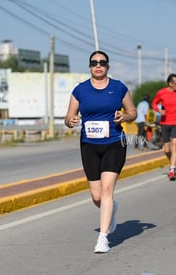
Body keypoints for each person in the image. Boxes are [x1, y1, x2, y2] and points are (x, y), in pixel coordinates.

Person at [64, 51, 137, 253]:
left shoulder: (118, 87)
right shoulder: (80, 90)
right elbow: (69, 116)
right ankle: (111, 209)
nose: (98, 66)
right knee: (96, 196)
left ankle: (103, 239)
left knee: (106, 190)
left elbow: (133, 112)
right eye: (94, 63)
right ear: (89, 66)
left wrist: (125, 117)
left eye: (102, 63)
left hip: (114, 142)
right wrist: (71, 121)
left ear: (107, 67)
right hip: (89, 145)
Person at [151, 73, 176, 181]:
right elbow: (154, 103)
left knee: (174, 145)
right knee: (166, 150)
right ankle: (171, 161)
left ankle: (172, 170)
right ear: (170, 84)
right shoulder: (161, 93)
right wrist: (159, 110)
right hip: (165, 123)